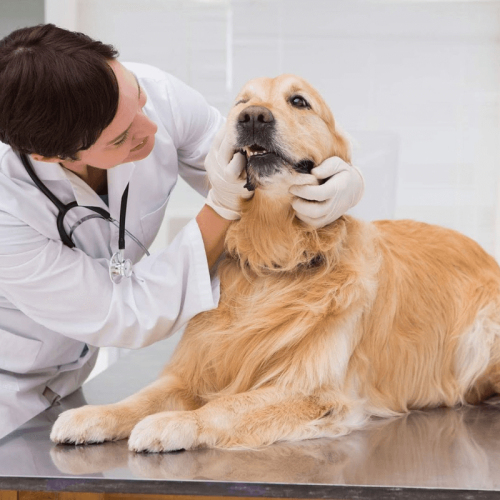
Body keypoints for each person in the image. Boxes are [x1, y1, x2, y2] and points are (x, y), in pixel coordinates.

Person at [0, 24, 365, 439]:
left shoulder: (157, 95)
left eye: (138, 99)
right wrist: (221, 206)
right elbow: (125, 313)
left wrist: (346, 178)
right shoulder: (6, 212)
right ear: (50, 156)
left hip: (72, 382)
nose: (151, 129)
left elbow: (259, 158)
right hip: (10, 391)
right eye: (123, 137)